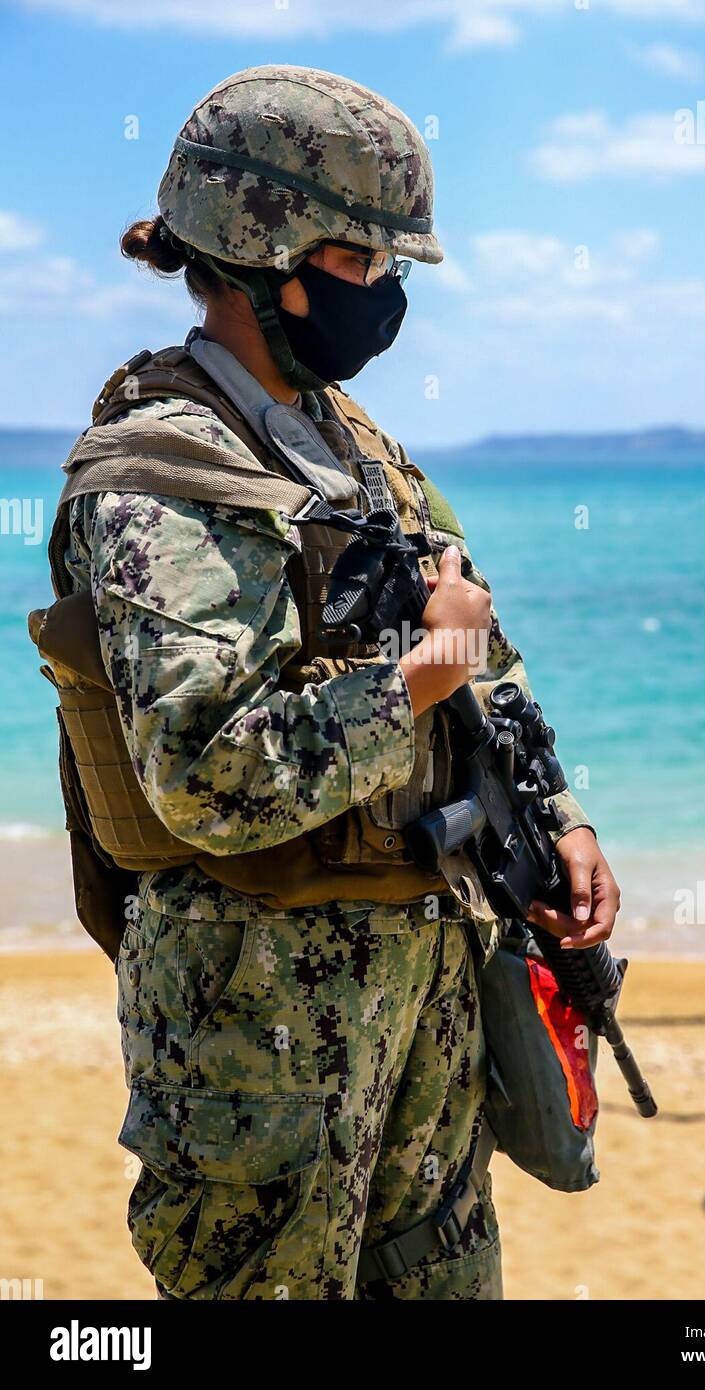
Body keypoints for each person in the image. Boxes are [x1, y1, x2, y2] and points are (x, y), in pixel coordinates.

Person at [45, 65, 620, 1300]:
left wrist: (562, 820)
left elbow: (486, 659)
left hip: (423, 1006)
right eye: (365, 260)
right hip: (262, 1037)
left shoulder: (360, 449)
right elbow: (208, 773)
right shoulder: (160, 471)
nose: (388, 293)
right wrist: (419, 673)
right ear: (263, 250)